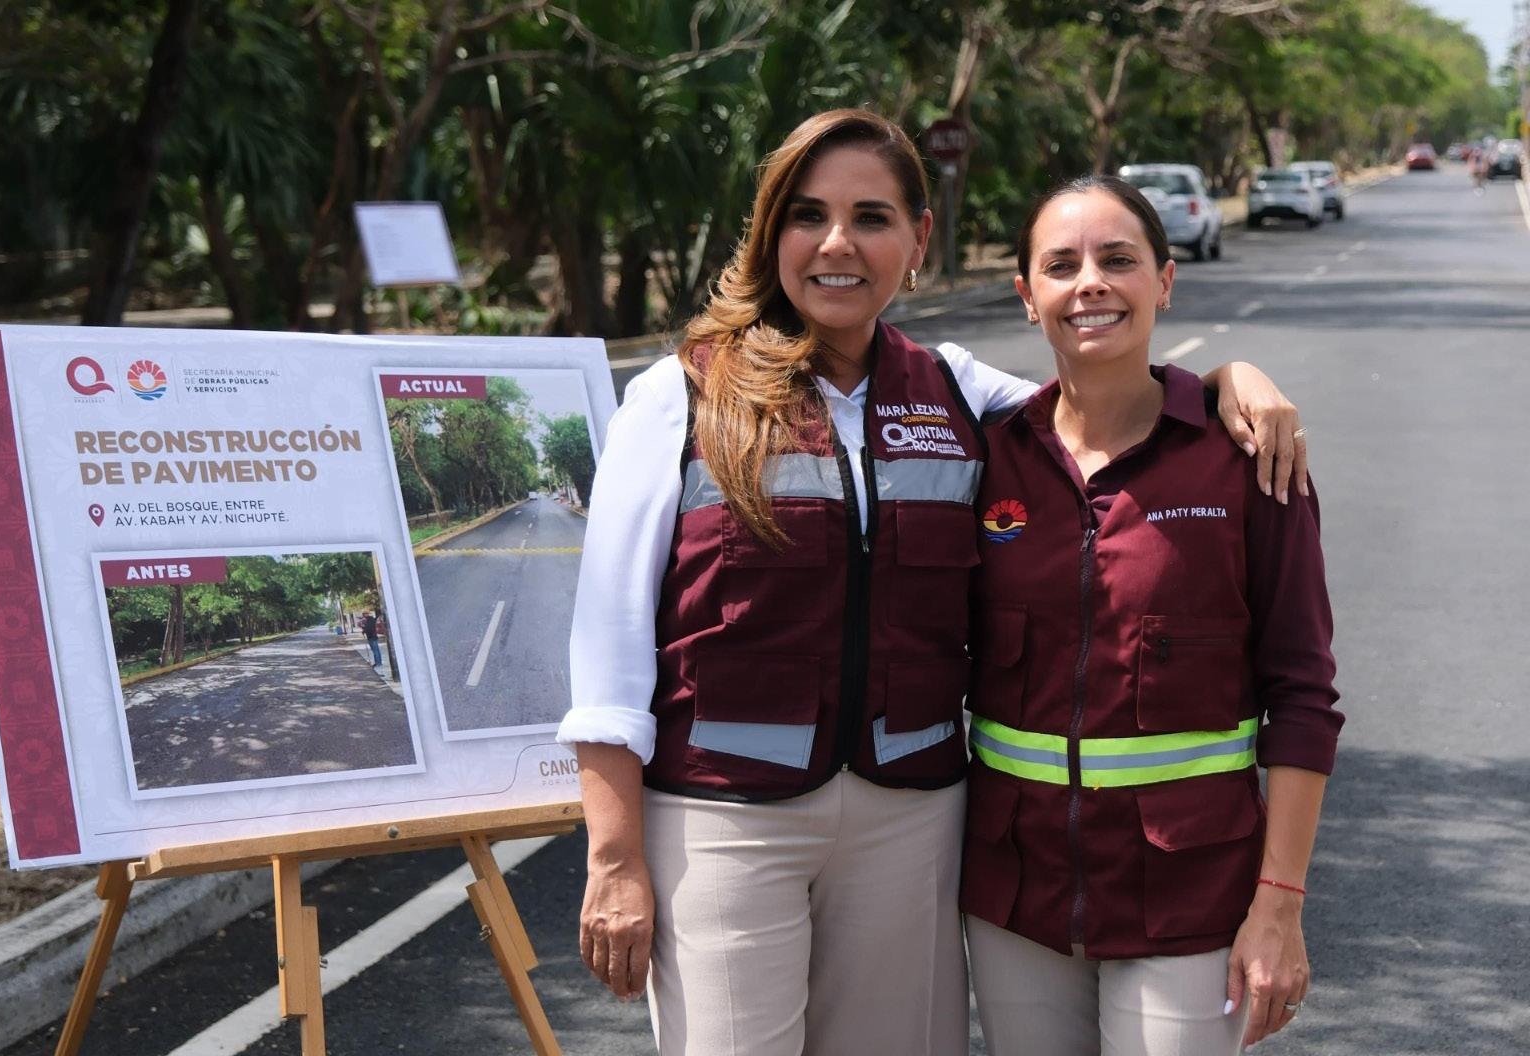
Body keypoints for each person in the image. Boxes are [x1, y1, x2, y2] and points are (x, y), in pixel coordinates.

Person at [558, 110, 1307, 1056]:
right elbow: (609, 649)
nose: (838, 243)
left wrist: (1230, 378)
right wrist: (615, 859)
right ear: (770, 234)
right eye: (807, 215)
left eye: (871, 217)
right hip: (723, 819)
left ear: (918, 240)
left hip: (908, 822)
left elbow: (1103, 404)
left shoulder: (956, 388)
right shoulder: (679, 396)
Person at [961, 175, 1342, 1056]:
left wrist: (1280, 906)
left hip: (1190, 895)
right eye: (1061, 265)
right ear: (1026, 296)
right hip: (1016, 895)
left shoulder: (1249, 461)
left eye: (1118, 259)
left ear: (1165, 282)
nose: (1090, 283)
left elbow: (1303, 696)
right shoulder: (989, 457)